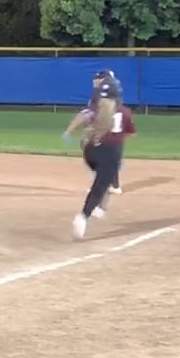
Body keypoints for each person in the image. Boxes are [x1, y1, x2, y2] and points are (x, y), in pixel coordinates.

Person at [64, 75, 135, 240]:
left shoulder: (96, 107)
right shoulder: (125, 112)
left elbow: (83, 117)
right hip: (110, 153)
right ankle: (83, 216)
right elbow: (130, 133)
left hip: (90, 152)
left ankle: (100, 206)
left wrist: (69, 132)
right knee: (101, 185)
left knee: (102, 179)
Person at [88, 70, 124, 195]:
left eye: (97, 79)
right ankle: (115, 185)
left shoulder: (101, 93)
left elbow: (97, 111)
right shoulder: (116, 93)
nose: (94, 81)